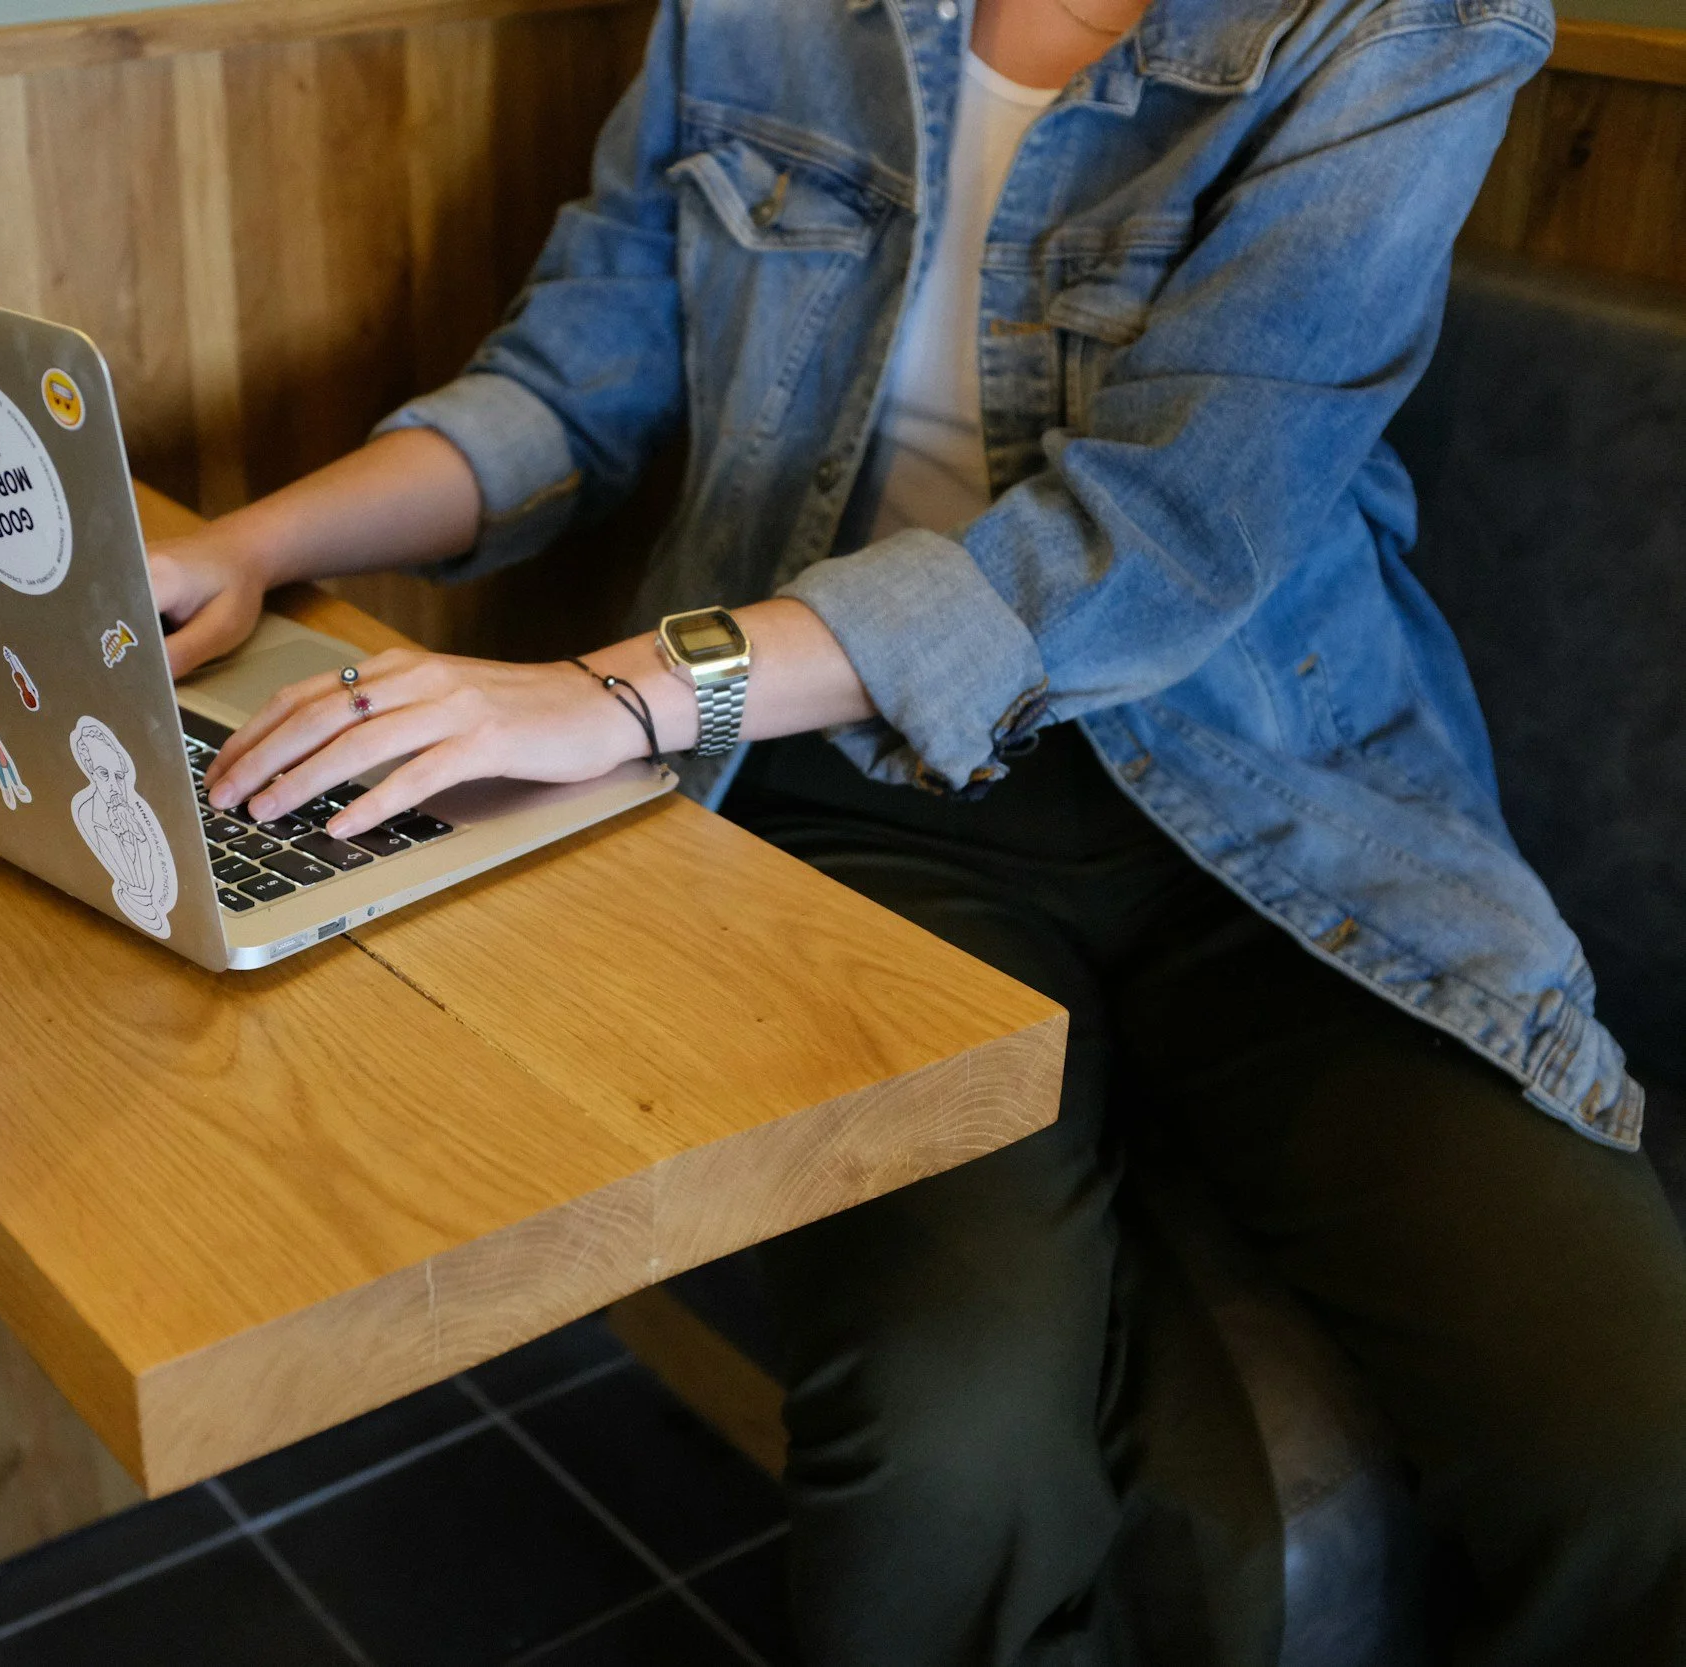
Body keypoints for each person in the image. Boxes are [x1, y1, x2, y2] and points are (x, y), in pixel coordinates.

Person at [146, 0, 1686, 1655]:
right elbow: (574, 379)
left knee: (1634, 1452)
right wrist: (253, 544)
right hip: (849, 794)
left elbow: (1166, 527)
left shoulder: (1405, 28)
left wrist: (622, 688)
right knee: (941, 1452)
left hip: (1279, 813)